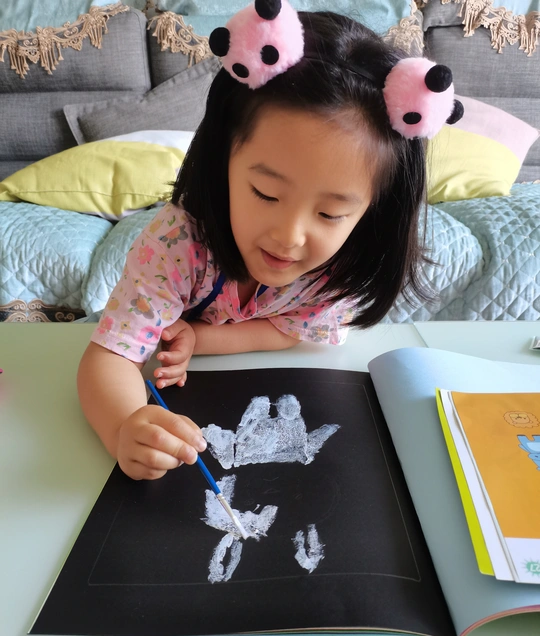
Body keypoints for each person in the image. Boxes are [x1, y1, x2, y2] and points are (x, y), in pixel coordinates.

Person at [77, 0, 462, 481]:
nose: (289, 236)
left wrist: (200, 338)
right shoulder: (175, 245)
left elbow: (290, 329)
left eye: (330, 213)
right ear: (223, 161)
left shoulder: (340, 266)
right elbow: (110, 357)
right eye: (265, 193)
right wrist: (122, 427)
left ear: (373, 213)